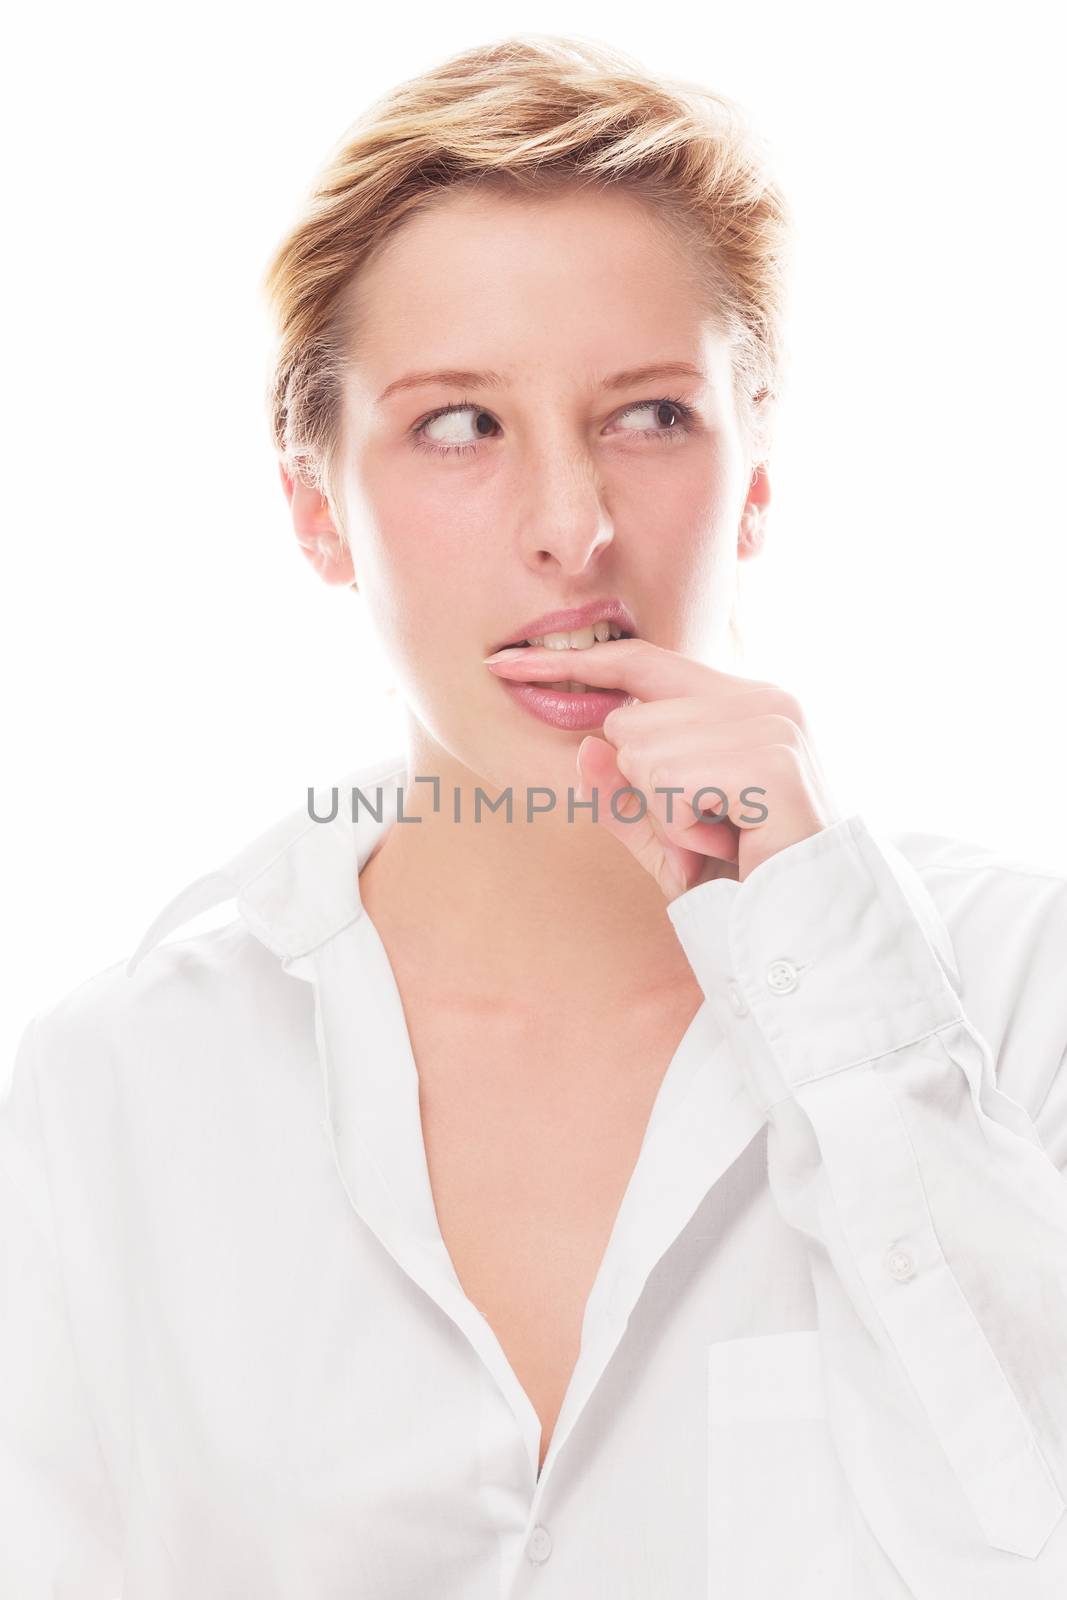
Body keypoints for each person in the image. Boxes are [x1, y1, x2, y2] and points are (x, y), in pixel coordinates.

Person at [3, 30, 1067, 1600]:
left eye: (647, 415)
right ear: (315, 511)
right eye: (458, 426)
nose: (571, 528)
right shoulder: (119, 1093)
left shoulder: (1008, 985)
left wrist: (837, 978)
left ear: (756, 471)